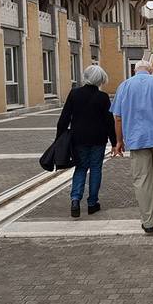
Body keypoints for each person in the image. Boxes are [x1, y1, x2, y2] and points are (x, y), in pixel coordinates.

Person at [111, 60, 153, 234]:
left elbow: (117, 117)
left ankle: (148, 220)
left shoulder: (124, 85)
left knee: (141, 178)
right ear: (151, 70)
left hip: (136, 137)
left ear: (134, 70)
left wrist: (119, 141)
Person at [56, 65, 116, 218]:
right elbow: (109, 121)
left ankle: (75, 199)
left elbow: (64, 118)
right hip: (98, 139)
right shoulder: (103, 97)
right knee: (96, 168)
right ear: (101, 79)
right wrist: (114, 142)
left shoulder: (74, 94)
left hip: (78, 138)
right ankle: (92, 203)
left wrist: (59, 138)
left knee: (81, 168)